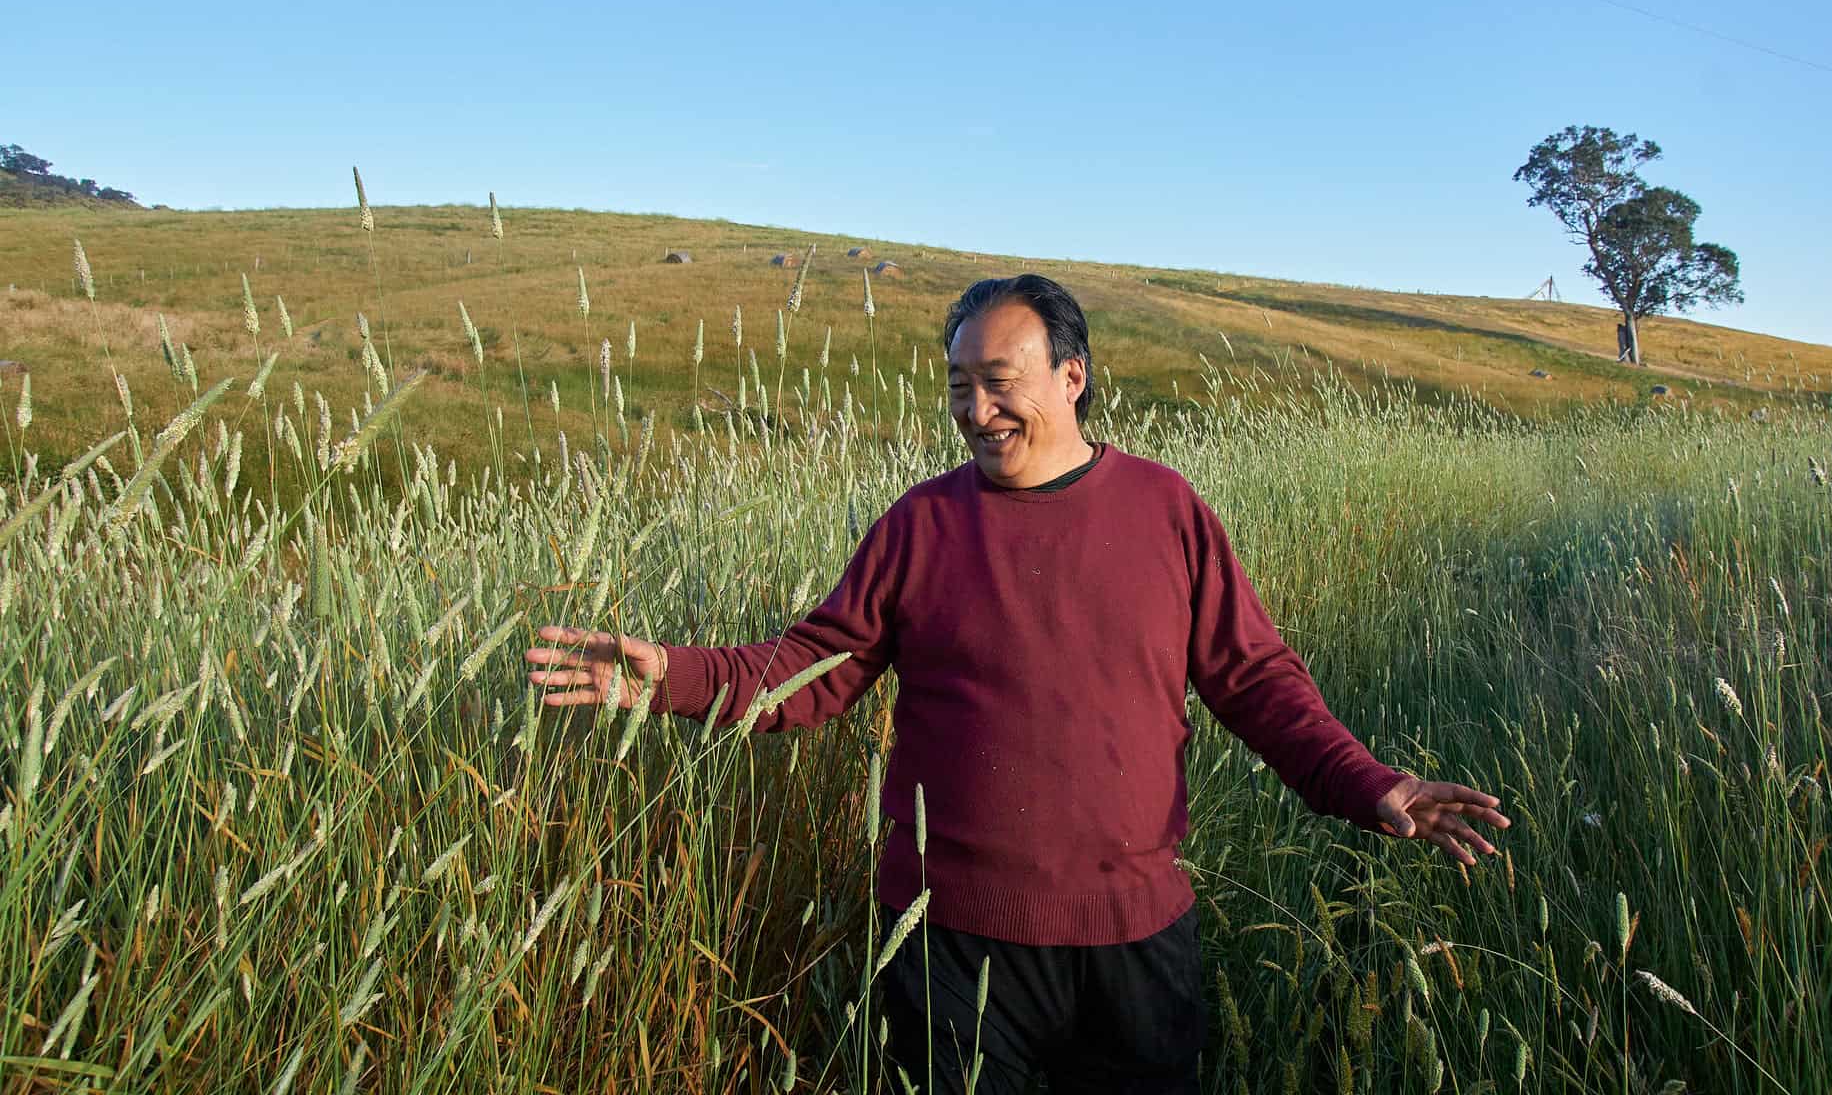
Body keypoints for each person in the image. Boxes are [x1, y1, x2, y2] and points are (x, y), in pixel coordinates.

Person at [526, 275, 1509, 1093]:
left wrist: (1367, 780)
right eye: (958, 385)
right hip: (947, 941)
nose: (976, 410)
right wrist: (672, 677)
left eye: (998, 381)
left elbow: (1255, 679)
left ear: (1072, 376)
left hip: (1134, 939)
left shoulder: (1166, 510)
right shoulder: (920, 526)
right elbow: (811, 670)